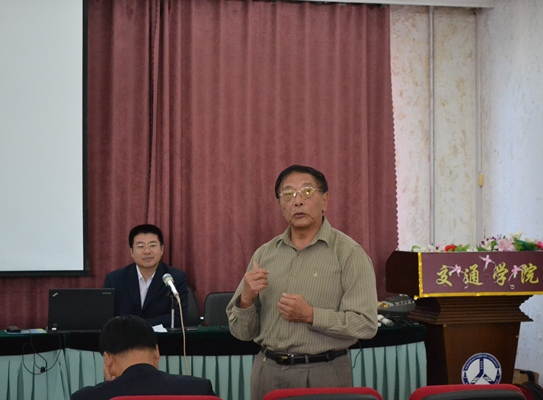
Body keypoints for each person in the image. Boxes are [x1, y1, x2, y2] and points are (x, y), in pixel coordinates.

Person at [226, 165, 378, 400]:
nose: (297, 201)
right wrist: (245, 300)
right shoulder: (264, 254)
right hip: (267, 373)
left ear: (325, 200)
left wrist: (311, 315)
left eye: (307, 192)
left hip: (324, 373)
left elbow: (366, 324)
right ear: (280, 205)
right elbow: (241, 333)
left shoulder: (349, 254)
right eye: (288, 194)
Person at [70, 315, 215, 399]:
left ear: (108, 359)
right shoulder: (200, 389)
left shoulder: (88, 397)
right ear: (157, 352)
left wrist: (109, 387)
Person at [104, 224, 188, 328]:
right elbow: (107, 318)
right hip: (125, 337)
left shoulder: (176, 278)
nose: (147, 251)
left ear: (162, 249)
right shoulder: (114, 279)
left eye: (152, 245)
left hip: (161, 337)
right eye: (140, 246)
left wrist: (138, 325)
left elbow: (178, 317)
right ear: (131, 252)